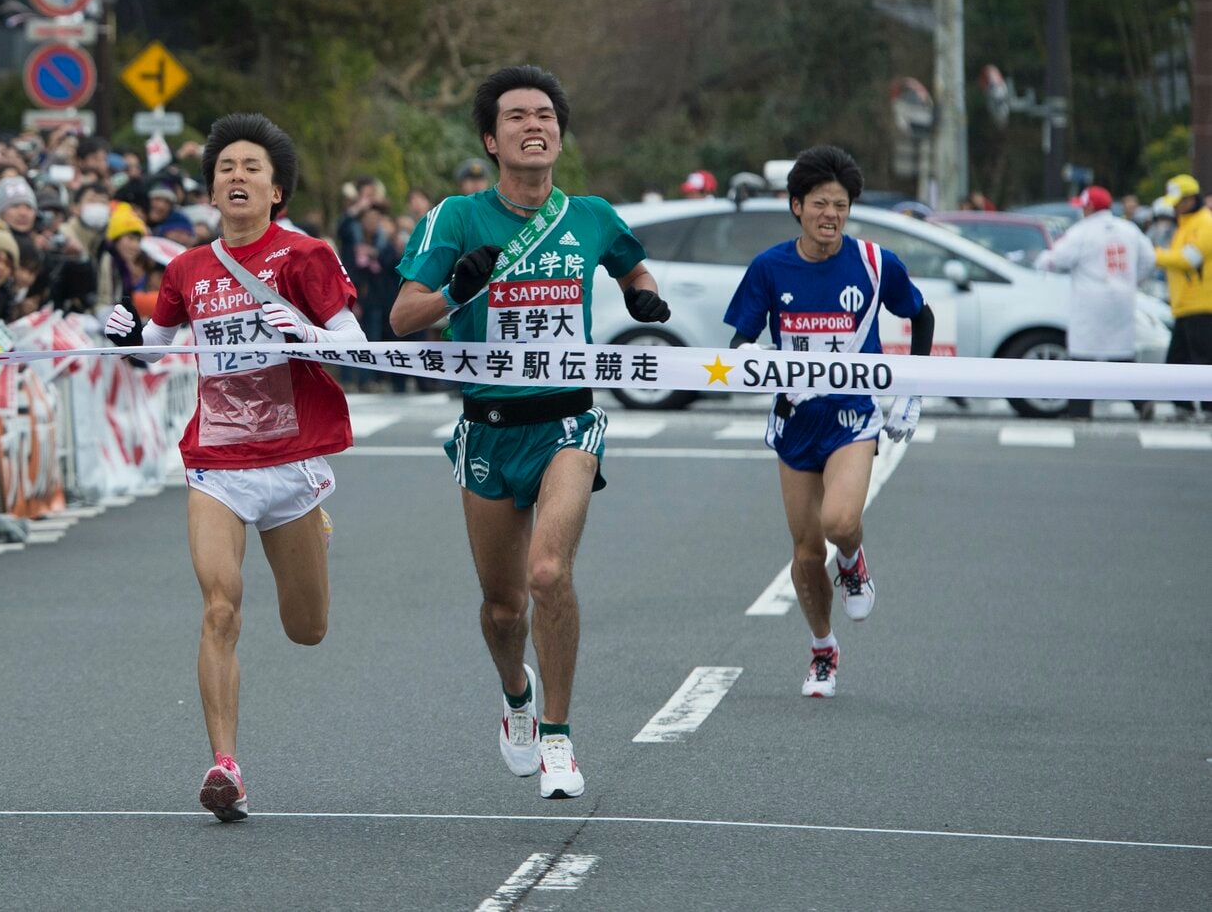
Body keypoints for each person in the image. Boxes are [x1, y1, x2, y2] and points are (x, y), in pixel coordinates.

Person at [390, 65, 671, 800]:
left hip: (567, 420)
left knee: (549, 574)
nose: (533, 125)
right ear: (491, 138)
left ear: (559, 133)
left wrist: (643, 299)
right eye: (516, 116)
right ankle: (515, 693)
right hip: (488, 427)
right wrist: (458, 288)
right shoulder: (456, 217)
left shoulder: (592, 215)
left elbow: (633, 269)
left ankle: (557, 736)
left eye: (544, 114)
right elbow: (401, 319)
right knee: (504, 605)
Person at [103, 112, 365, 822]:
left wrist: (306, 334)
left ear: (276, 189)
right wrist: (128, 337)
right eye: (225, 168)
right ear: (212, 190)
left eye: (251, 167)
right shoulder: (187, 269)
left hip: (291, 458)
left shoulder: (306, 255)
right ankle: (226, 767)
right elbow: (155, 347)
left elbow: (356, 343)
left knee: (306, 629)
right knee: (220, 606)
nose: (237, 176)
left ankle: (318, 524)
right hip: (215, 460)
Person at [723, 145, 935, 699]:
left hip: (852, 416)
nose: (830, 216)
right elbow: (740, 340)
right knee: (804, 551)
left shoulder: (872, 262)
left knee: (840, 523)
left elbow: (921, 314)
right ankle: (822, 647)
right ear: (796, 206)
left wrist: (911, 389)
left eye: (840, 206)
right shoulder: (770, 267)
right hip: (795, 420)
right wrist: (748, 360)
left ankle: (854, 559)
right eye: (819, 204)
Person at [1033, 185, 1156, 419]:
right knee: (1122, 355)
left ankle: (1080, 410)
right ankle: (1141, 401)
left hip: (1090, 301)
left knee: (1082, 357)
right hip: (1122, 300)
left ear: (1089, 207)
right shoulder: (1128, 229)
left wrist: (1040, 261)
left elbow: (1057, 258)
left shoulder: (1082, 232)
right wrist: (1132, 280)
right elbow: (1149, 258)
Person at [1157, 174, 1212, 420]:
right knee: (1178, 360)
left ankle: (1206, 409)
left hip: (1202, 304)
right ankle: (1184, 408)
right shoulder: (1187, 223)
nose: (1175, 206)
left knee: (1203, 360)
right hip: (1186, 305)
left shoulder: (1205, 224)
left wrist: (1155, 254)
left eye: (1178, 201)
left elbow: (1189, 259)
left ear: (1191, 198)